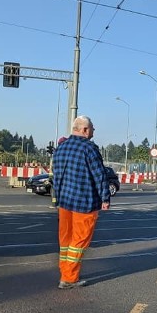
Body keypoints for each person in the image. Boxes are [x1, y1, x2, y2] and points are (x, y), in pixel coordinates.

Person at [52, 116, 110, 289]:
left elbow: (56, 176)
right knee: (79, 241)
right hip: (84, 203)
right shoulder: (89, 149)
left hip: (65, 202)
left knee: (65, 239)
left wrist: (57, 198)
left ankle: (65, 272)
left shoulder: (61, 147)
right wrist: (105, 198)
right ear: (84, 130)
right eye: (92, 128)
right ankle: (69, 278)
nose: (93, 131)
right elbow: (99, 176)